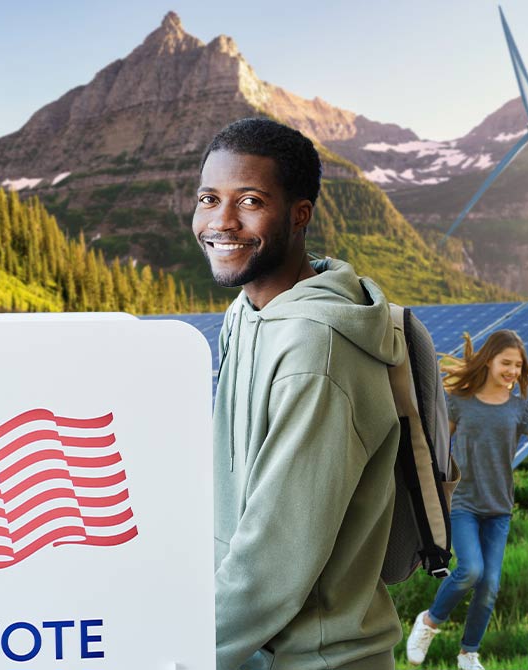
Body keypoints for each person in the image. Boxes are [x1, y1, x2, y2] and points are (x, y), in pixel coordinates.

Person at [196, 117, 405, 670]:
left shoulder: (318, 350)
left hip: (319, 657)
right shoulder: (245, 314)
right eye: (208, 198)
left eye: (249, 201)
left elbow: (274, 558)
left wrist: (179, 653)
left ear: (299, 214)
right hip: (251, 649)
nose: (221, 221)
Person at [405, 329, 528, 670]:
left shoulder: (520, 409)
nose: (513, 371)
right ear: (488, 361)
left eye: (518, 366)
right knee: (470, 570)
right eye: (507, 363)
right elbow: (435, 446)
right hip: (463, 504)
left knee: (489, 584)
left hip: (499, 509)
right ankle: (429, 622)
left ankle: (468, 654)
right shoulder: (458, 402)